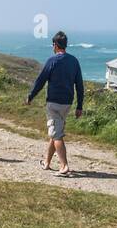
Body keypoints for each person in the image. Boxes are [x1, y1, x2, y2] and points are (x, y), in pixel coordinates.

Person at [26, 31, 84, 176]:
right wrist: (79, 106)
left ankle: (64, 166)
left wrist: (30, 96)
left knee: (56, 134)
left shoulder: (52, 61)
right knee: (55, 132)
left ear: (56, 45)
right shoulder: (74, 61)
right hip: (67, 104)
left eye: (53, 44)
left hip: (53, 103)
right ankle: (47, 162)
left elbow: (40, 81)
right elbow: (80, 85)